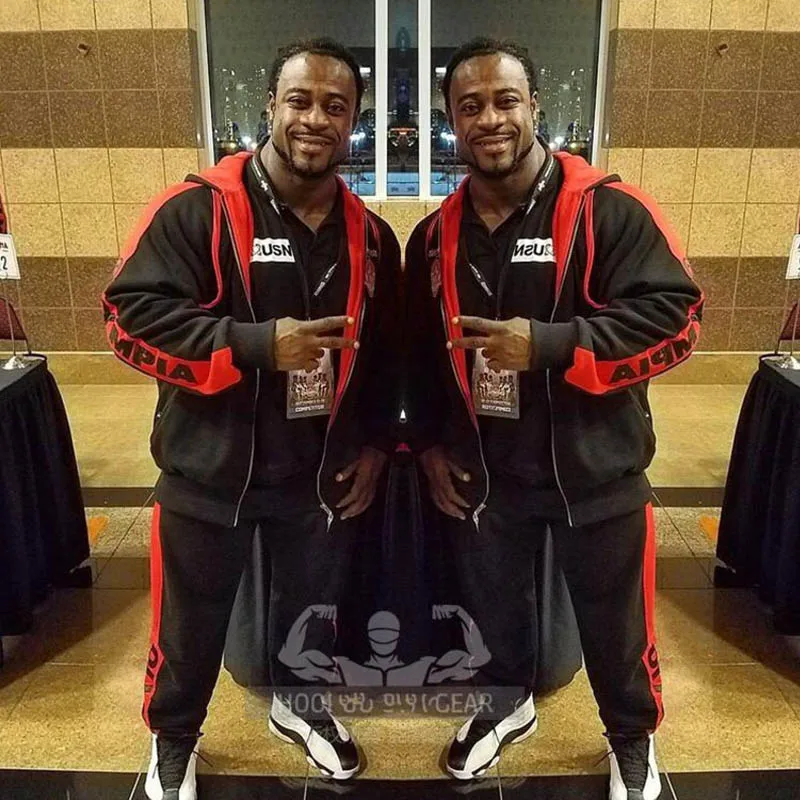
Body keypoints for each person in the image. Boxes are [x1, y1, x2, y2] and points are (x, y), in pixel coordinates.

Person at [404, 38, 703, 800]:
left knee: (615, 624)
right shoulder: (434, 237)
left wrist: (549, 345)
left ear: (535, 107)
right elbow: (421, 358)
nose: (490, 119)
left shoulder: (609, 208)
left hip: (596, 471)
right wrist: (432, 444)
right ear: (451, 121)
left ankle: (630, 739)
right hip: (487, 474)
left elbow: (678, 319)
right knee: (493, 607)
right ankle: (505, 706)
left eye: (505, 100)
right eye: (470, 106)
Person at [103, 37, 401, 799]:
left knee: (312, 613)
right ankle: (175, 740)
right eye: (299, 100)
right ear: (270, 107)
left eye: (335, 106)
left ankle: (301, 707)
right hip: (209, 471)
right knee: (189, 625)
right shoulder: (195, 209)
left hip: (318, 475)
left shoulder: (371, 237)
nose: (315, 119)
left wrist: (373, 444)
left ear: (354, 121)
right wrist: (256, 345)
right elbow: (128, 320)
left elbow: (384, 359)